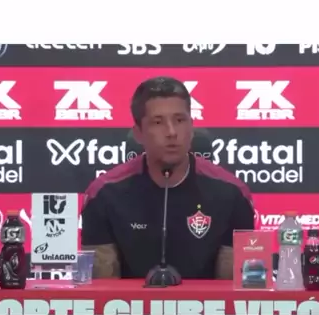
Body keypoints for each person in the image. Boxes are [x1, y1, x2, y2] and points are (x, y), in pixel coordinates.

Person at [81, 76, 254, 279]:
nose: (171, 132)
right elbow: (102, 288)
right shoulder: (104, 194)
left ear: (191, 127)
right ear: (138, 133)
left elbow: (235, 288)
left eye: (180, 120)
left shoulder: (232, 194)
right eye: (158, 122)